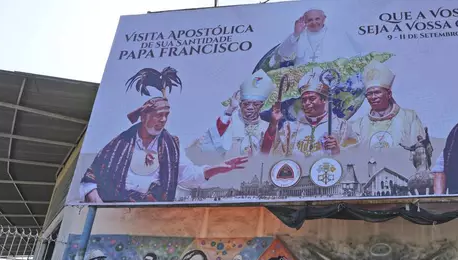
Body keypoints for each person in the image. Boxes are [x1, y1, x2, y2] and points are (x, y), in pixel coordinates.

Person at [79, 96, 248, 203]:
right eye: (159, 115)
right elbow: (91, 178)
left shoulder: (171, 145)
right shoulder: (120, 143)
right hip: (112, 211)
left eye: (166, 116)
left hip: (151, 212)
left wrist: (213, 170)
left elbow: (186, 176)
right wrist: (97, 203)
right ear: (144, 116)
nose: (163, 120)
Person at [263, 67, 358, 157]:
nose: (306, 103)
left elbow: (357, 153)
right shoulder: (290, 128)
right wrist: (273, 124)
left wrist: (338, 151)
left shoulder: (342, 127)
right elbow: (271, 153)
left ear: (323, 100)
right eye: (303, 100)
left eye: (312, 99)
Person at [351, 60, 427, 152]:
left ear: (389, 94)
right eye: (369, 94)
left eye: (377, 92)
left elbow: (420, 150)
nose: (373, 97)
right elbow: (353, 154)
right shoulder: (359, 124)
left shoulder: (409, 117)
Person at [198, 70, 277, 156]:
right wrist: (230, 110)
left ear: (261, 105)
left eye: (255, 104)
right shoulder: (229, 122)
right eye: (246, 103)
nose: (250, 107)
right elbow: (208, 143)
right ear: (240, 104)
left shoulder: (266, 127)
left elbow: (268, 155)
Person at [271, 9, 362, 66]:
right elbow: (283, 54)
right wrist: (296, 34)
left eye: (317, 19)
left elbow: (351, 59)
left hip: (331, 79)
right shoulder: (298, 36)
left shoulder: (338, 35)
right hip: (303, 83)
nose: (314, 22)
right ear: (305, 21)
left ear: (324, 18)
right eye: (310, 20)